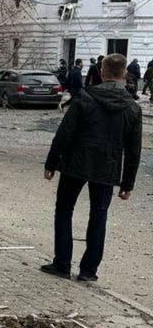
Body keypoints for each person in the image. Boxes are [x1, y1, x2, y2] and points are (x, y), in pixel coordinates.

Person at [41, 53, 142, 283]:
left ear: (102, 72)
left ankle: (62, 263)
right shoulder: (132, 108)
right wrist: (127, 183)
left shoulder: (85, 97)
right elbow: (133, 150)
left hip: (75, 163)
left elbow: (65, 132)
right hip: (108, 168)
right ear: (124, 74)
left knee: (64, 210)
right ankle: (88, 270)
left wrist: (51, 162)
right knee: (99, 215)